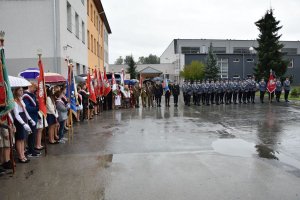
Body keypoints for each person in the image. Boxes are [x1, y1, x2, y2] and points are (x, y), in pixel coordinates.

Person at [13, 87, 35, 163]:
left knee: (23, 138)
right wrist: (23, 123)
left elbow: (25, 111)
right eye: (19, 90)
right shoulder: (14, 101)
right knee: (19, 139)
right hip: (19, 120)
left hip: (24, 118)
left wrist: (30, 119)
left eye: (22, 90)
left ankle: (23, 154)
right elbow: (16, 114)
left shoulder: (21, 99)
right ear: (16, 91)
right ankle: (20, 156)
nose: (22, 91)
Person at [22, 82, 40, 157]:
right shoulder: (26, 96)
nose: (35, 90)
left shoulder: (32, 95)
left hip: (34, 117)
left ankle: (32, 149)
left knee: (33, 134)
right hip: (30, 117)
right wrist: (37, 108)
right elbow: (28, 108)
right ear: (30, 86)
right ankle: (30, 150)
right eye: (35, 88)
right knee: (31, 135)